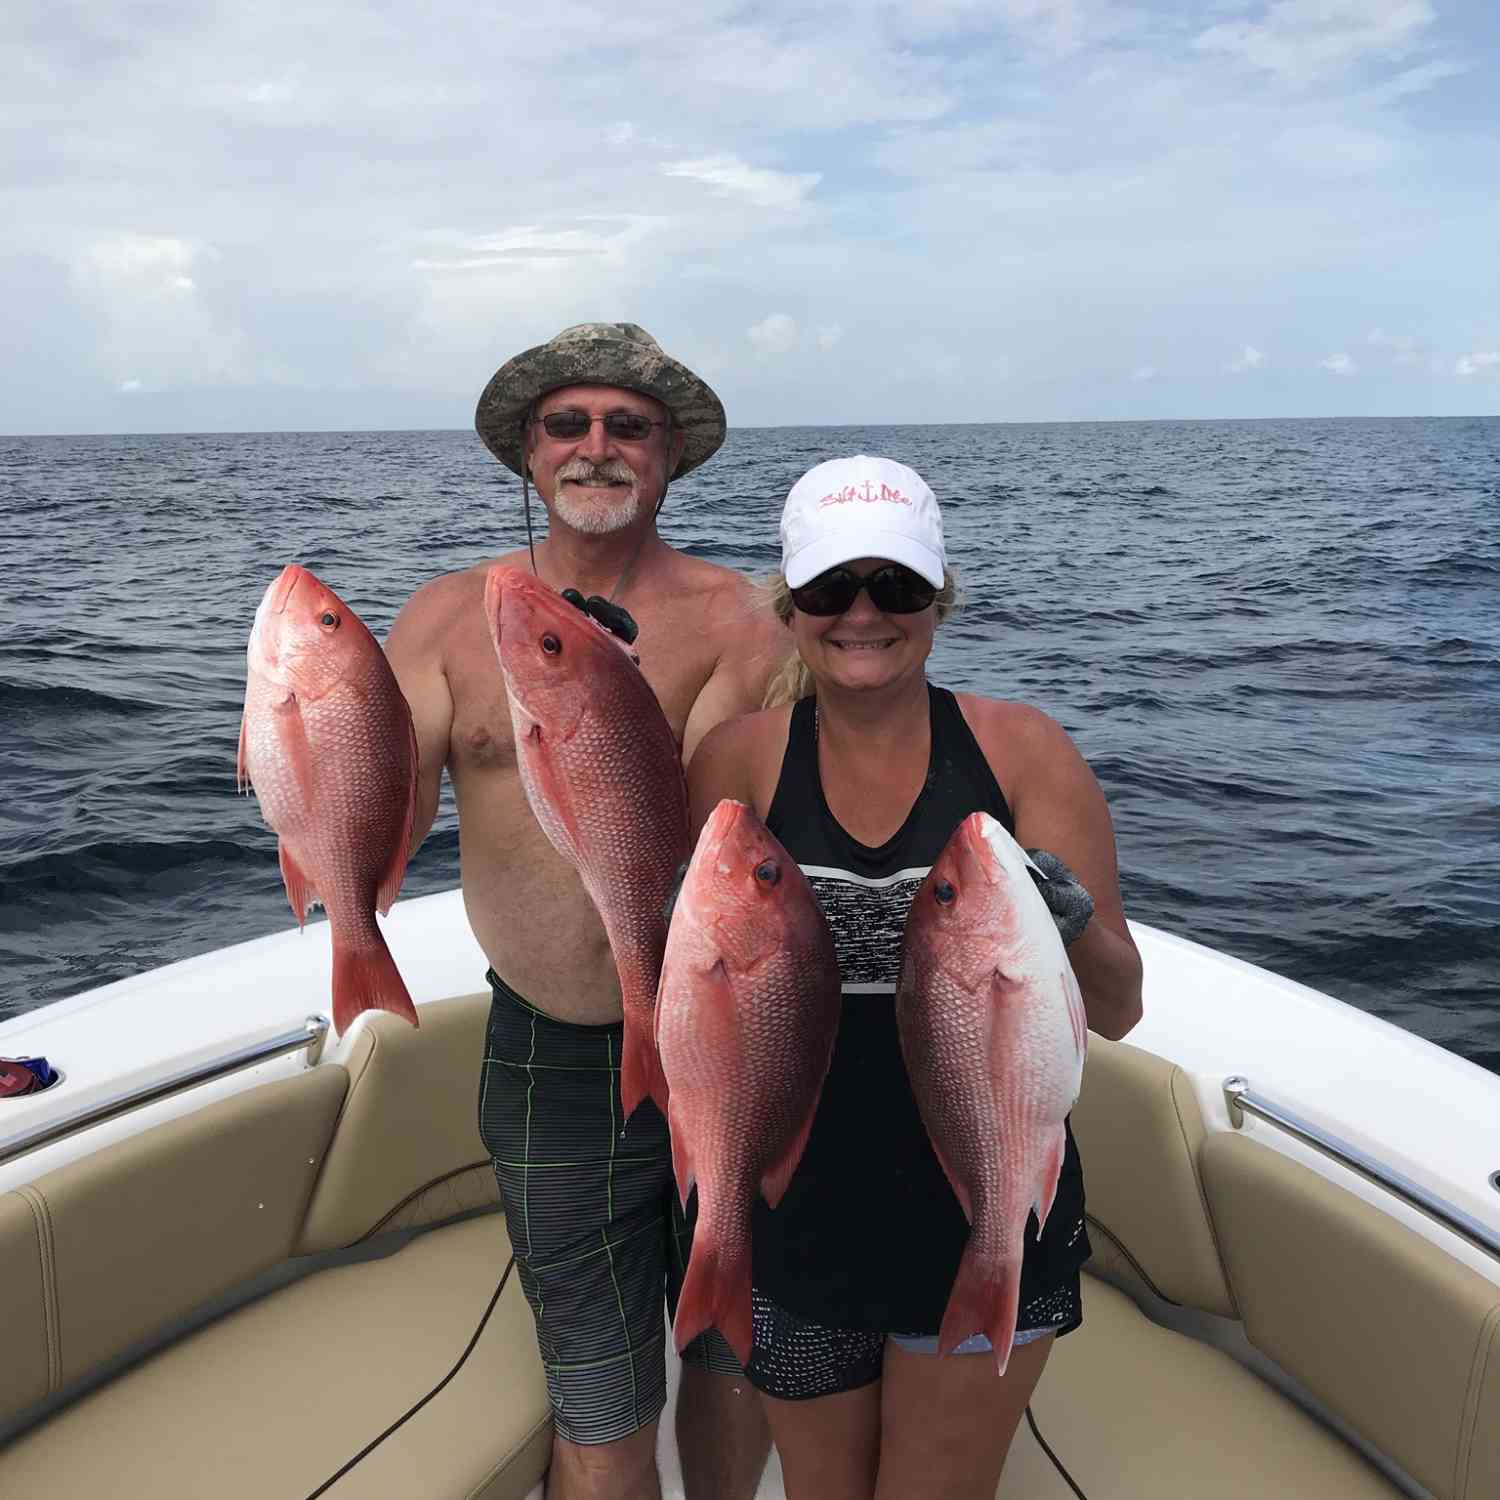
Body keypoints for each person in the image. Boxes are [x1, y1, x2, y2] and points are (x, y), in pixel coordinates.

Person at [685, 454, 1144, 1500]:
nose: (861, 614)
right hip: (796, 1217)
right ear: (788, 603)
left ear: (938, 596)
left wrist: (1070, 927)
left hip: (987, 1213)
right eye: (828, 588)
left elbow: (1118, 1009)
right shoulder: (740, 760)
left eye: (893, 586)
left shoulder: (1023, 753)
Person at [385, 324, 783, 1500]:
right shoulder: (442, 622)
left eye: (629, 427)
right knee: (598, 1388)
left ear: (667, 458)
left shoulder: (734, 621)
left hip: (722, 1037)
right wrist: (302, 745)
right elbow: (384, 818)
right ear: (527, 451)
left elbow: (734, 836)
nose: (596, 447)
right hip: (549, 1052)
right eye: (569, 423)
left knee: (731, 1359)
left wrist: (617, 715)